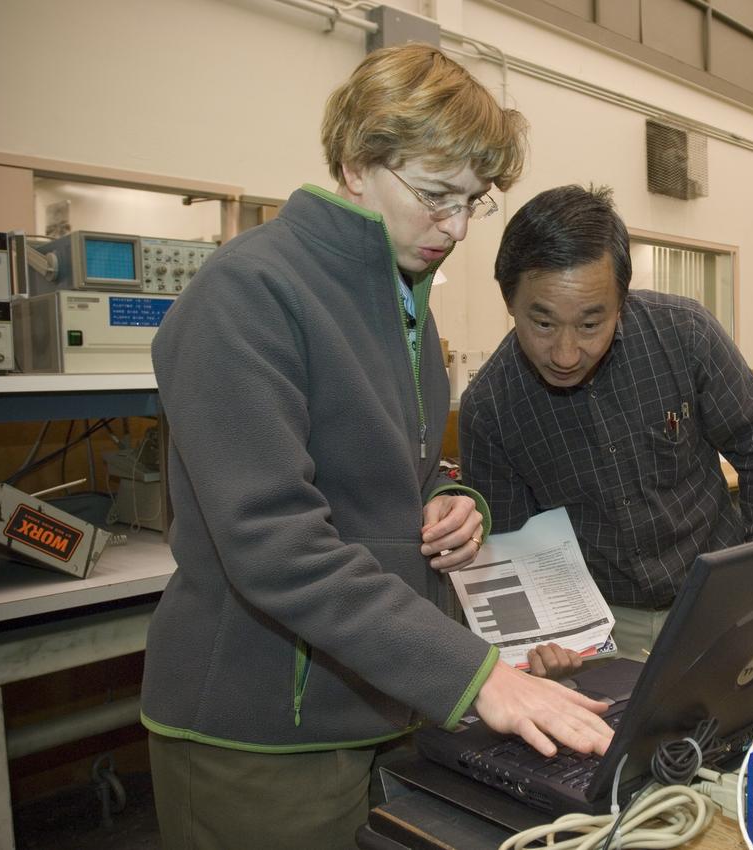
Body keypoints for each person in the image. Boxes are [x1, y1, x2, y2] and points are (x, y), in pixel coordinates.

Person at [142, 46, 612, 849]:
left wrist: (450, 502)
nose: (457, 228)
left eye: (474, 203)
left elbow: (399, 473)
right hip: (260, 731)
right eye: (436, 196)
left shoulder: (402, 306)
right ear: (358, 163)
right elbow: (275, 543)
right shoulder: (247, 294)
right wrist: (475, 678)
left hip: (379, 702)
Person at [459, 185, 753, 664]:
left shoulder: (684, 334)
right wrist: (540, 645)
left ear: (622, 300)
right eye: (544, 324)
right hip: (601, 627)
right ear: (509, 300)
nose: (566, 354)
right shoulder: (491, 408)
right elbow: (512, 549)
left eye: (591, 324)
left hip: (715, 595)